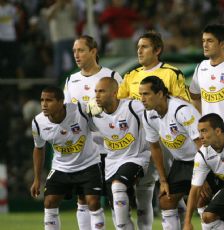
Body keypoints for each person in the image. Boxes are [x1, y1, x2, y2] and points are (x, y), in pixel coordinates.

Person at [117, 31, 190, 229]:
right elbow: (120, 107)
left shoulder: (170, 73)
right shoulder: (131, 75)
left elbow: (184, 104)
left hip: (166, 140)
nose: (139, 50)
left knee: (173, 190)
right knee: (144, 188)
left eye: (145, 46)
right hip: (137, 142)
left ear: (157, 50)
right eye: (138, 47)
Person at [63, 35, 122, 229]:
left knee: (116, 197)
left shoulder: (112, 77)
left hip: (111, 148)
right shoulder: (71, 80)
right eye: (74, 51)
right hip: (85, 151)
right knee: (84, 199)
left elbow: (123, 110)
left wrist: (104, 109)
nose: (76, 55)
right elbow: (67, 114)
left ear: (93, 51)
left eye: (81, 50)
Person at [30, 86, 104, 230]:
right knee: (49, 202)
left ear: (61, 102)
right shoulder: (38, 122)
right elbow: (39, 148)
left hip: (88, 164)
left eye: (49, 100)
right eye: (42, 100)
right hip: (61, 167)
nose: (44, 104)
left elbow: (98, 127)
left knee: (92, 202)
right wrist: (37, 179)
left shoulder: (81, 110)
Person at [140, 76, 204, 229]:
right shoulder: (148, 116)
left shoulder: (182, 110)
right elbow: (154, 147)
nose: (142, 99)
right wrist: (163, 180)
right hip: (181, 163)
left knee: (204, 201)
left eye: (146, 94)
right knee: (165, 200)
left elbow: (202, 144)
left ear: (161, 94)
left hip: (202, 160)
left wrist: (205, 177)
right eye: (140, 94)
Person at [91, 77, 150, 228]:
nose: (97, 95)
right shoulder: (93, 113)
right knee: (120, 220)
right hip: (111, 163)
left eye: (102, 91)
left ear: (115, 93)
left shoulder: (132, 107)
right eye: (96, 91)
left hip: (135, 158)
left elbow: (154, 109)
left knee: (118, 187)